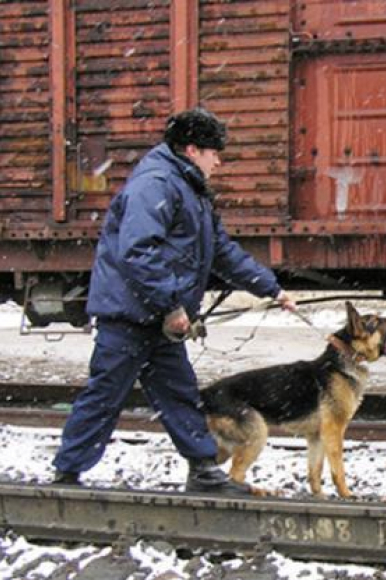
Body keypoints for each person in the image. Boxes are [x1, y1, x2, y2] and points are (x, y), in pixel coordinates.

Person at [52, 107, 297, 495]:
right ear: (191, 149)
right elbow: (139, 251)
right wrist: (171, 305)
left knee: (179, 394)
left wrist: (270, 287)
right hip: (130, 316)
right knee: (105, 395)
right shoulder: (156, 184)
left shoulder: (189, 189)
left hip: (157, 318)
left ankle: (203, 469)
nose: (218, 160)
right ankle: (66, 476)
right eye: (214, 151)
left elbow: (221, 251)